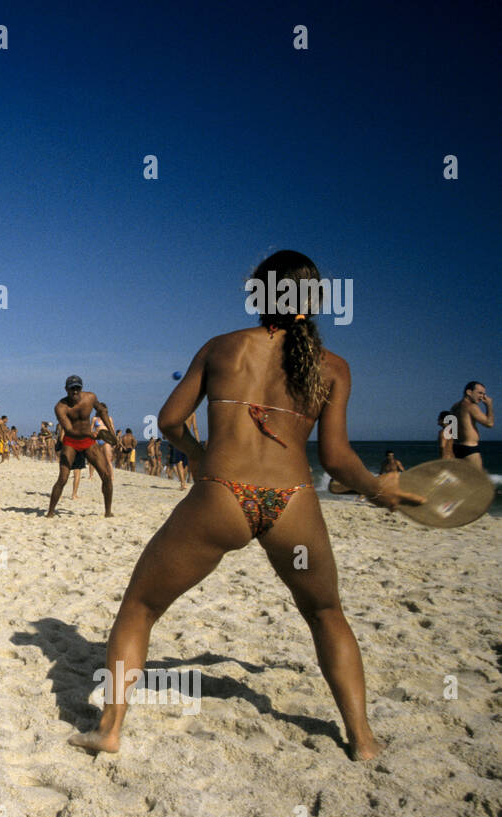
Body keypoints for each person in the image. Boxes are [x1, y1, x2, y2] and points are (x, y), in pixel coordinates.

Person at [70, 251, 424, 760]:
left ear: (259, 294)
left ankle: (109, 728)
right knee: (325, 613)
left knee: (142, 607)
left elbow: (170, 422)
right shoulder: (334, 368)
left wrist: (197, 458)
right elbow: (336, 458)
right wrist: (377, 489)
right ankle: (363, 739)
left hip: (222, 497)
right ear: (314, 299)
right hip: (294, 503)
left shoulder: (223, 348)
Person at [47, 375, 118, 517]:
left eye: (77, 388)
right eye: (72, 389)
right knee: (63, 478)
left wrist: (111, 432)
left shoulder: (90, 398)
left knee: (106, 475)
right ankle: (50, 512)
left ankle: (108, 512)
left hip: (88, 442)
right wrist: (93, 434)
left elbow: (102, 411)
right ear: (66, 389)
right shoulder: (60, 407)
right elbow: (69, 430)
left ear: (81, 388)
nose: (75, 392)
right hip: (71, 442)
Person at [448, 381, 492, 471]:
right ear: (469, 392)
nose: (482, 397)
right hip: (470, 448)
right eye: (480, 393)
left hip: (457, 447)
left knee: (463, 480)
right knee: (477, 479)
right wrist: (489, 405)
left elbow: (453, 430)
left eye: (484, 394)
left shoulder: (454, 407)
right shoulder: (471, 406)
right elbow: (489, 424)